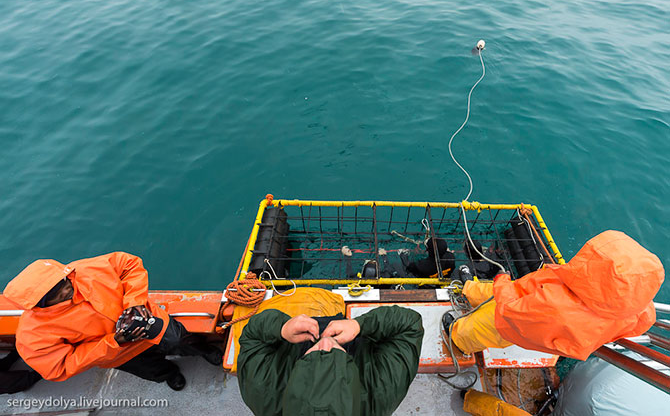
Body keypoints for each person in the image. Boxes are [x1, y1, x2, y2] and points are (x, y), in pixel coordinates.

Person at [2, 252, 222, 390]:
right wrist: (113, 342)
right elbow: (60, 367)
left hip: (148, 321)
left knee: (182, 339)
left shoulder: (85, 270)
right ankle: (170, 375)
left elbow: (129, 264)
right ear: (39, 303)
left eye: (64, 281)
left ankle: (205, 351)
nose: (68, 287)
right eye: (56, 293)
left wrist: (134, 304)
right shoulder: (33, 334)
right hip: (117, 352)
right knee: (150, 369)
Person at [442, 230, 665, 360]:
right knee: (493, 293)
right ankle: (470, 290)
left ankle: (457, 339)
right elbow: (642, 319)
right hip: (538, 303)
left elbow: (510, 311)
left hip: (515, 321)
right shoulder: (635, 308)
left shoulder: (558, 308)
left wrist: (502, 281)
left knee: (481, 326)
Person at [237, 305, 424, 416]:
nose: (325, 342)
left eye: (310, 358)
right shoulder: (381, 392)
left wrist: (282, 328)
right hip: (355, 335)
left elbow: (252, 336)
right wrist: (360, 324)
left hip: (293, 335)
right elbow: (410, 325)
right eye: (339, 358)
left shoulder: (262, 391)